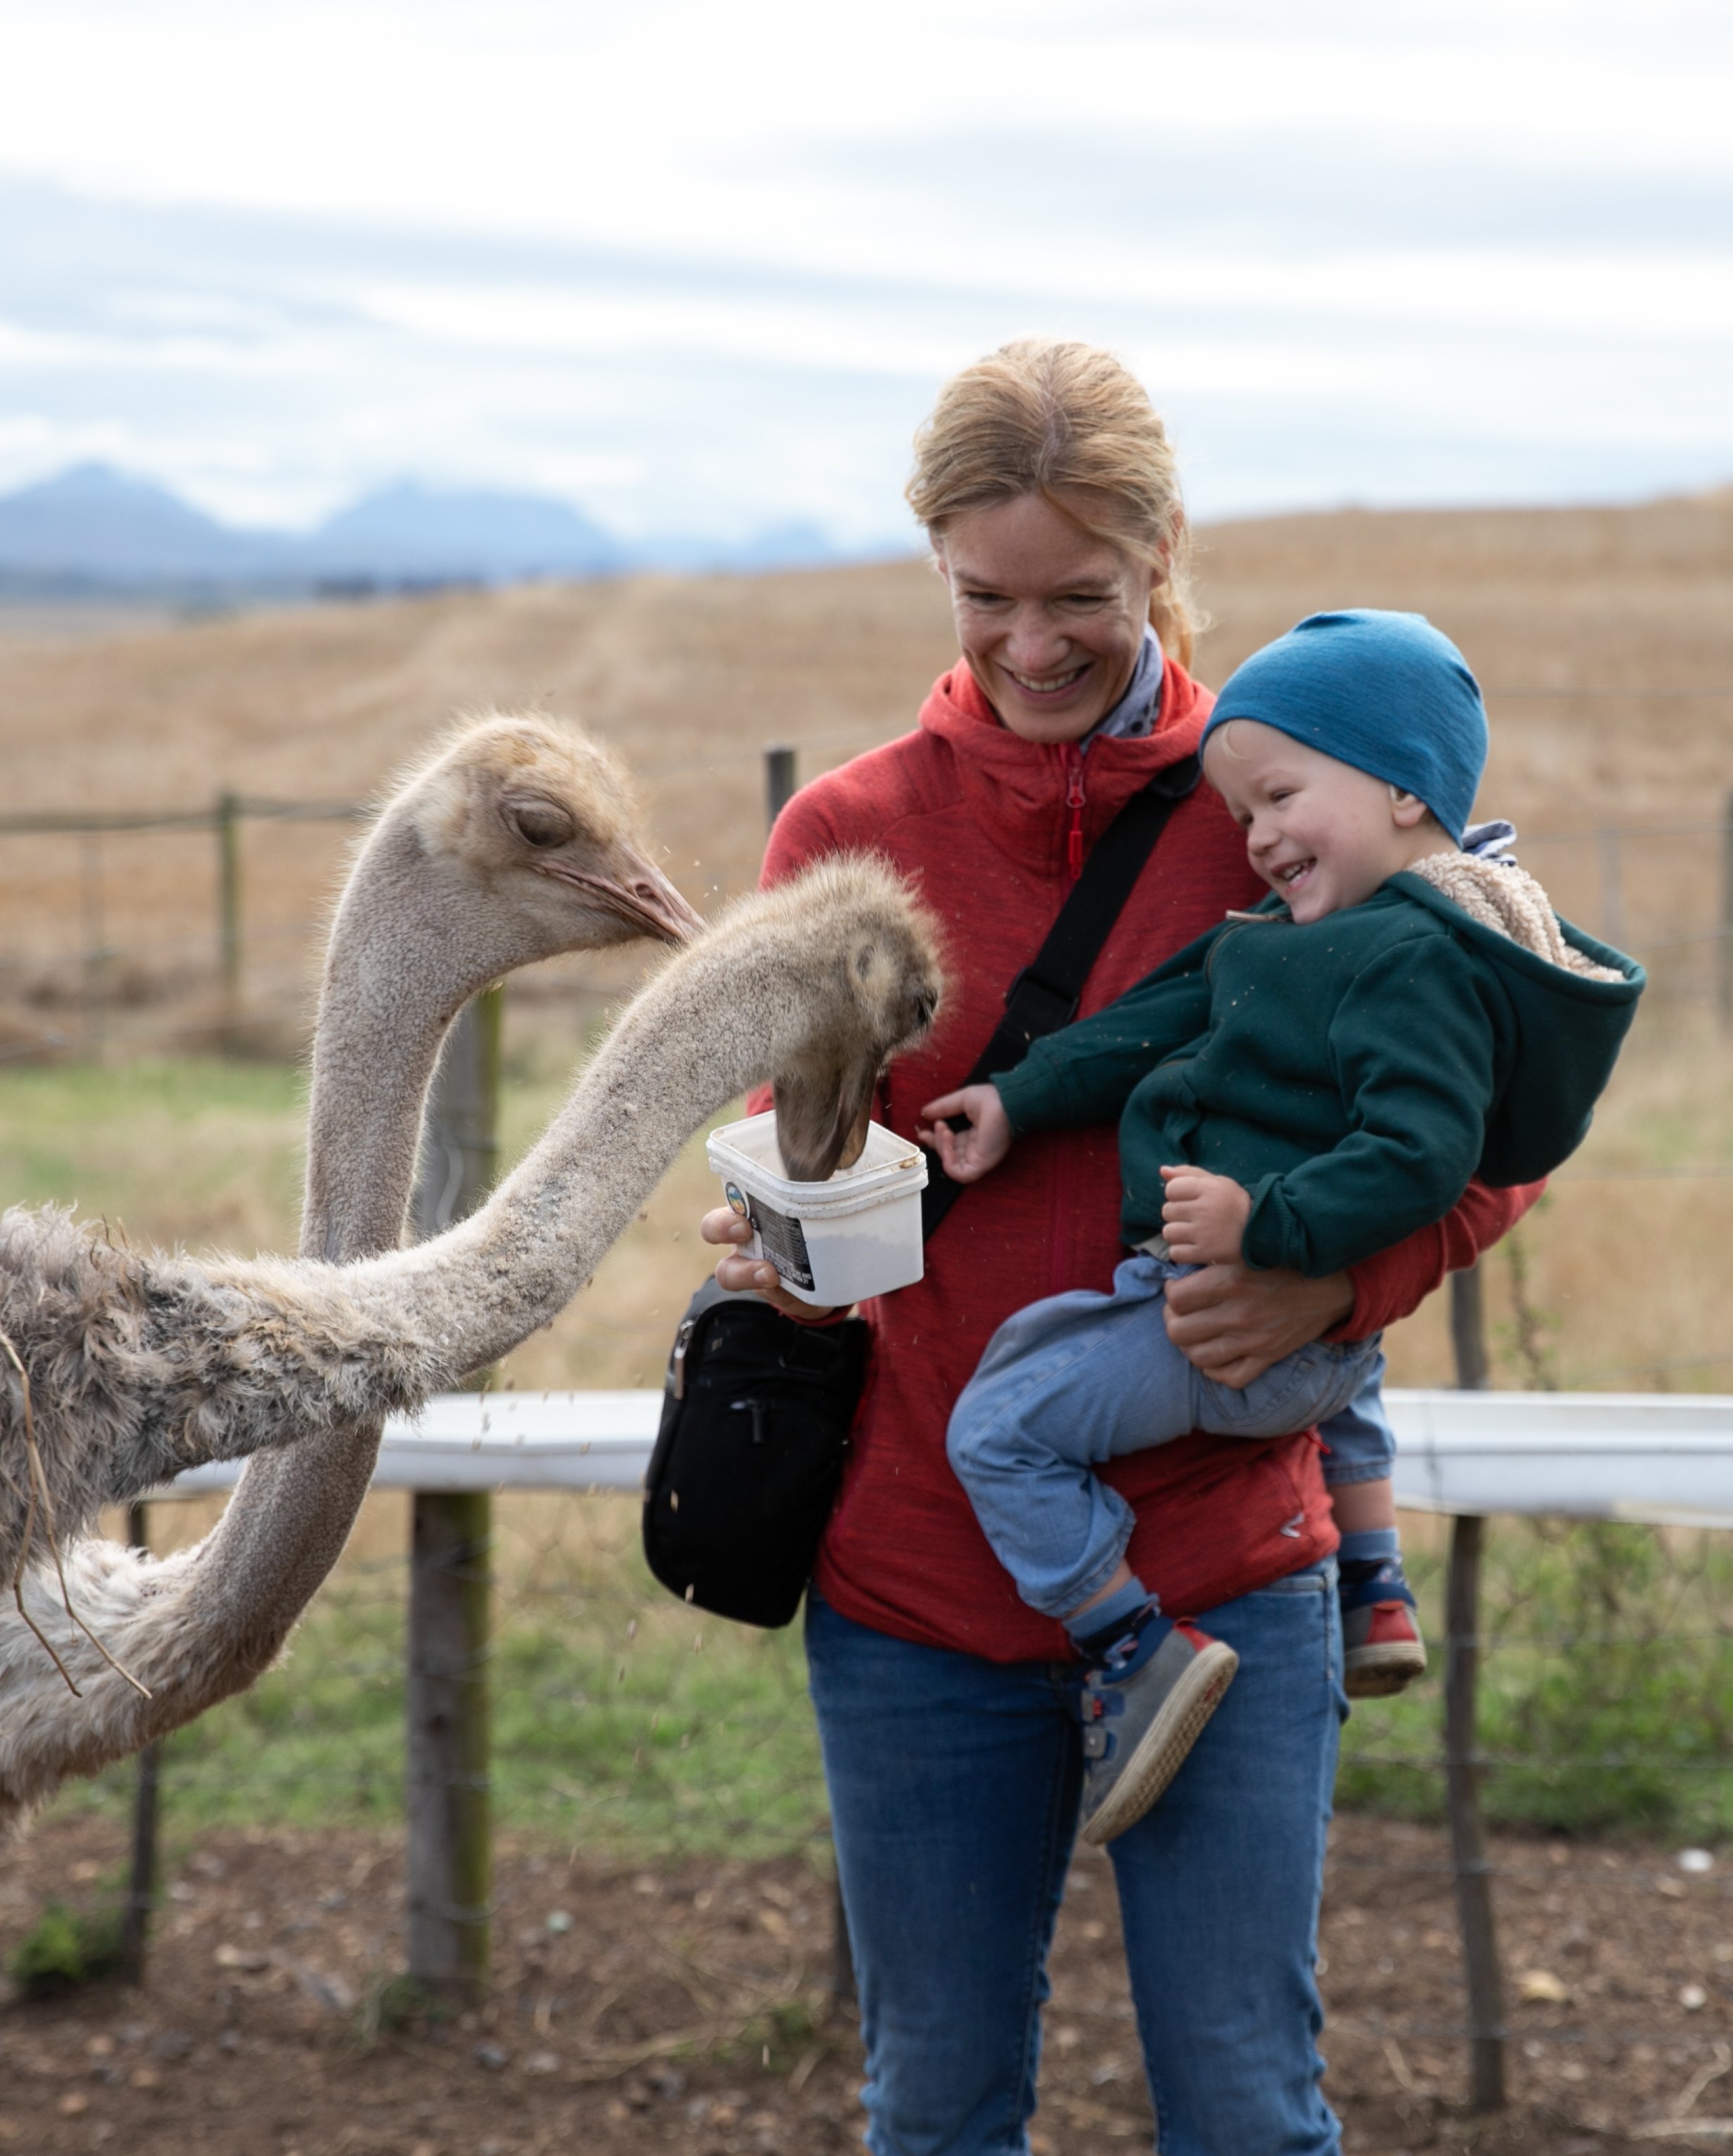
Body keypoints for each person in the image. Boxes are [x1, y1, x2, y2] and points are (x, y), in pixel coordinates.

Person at [700, 337, 1539, 2156]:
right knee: (936, 2109)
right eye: (981, 597)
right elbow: (812, 1145)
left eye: (1079, 595)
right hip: (917, 1578)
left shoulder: (1293, 803)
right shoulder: (842, 836)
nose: (1029, 645)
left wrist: (1338, 1282)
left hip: (1230, 1574)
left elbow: (1507, 1134)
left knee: (1245, 2111)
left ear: (1165, 560)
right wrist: (777, 1239)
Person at [921, 609, 1643, 1846]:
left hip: (1241, 1330)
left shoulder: (1416, 962)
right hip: (1328, 1352)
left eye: (1280, 799)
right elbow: (1161, 1017)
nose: (1255, 841)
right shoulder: (1314, 940)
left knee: (998, 1423)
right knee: (1345, 1383)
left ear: (1409, 789)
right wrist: (1020, 1098)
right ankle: (1375, 1586)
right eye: (1242, 816)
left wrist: (1269, 1227)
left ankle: (1130, 1645)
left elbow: (1426, 1154)